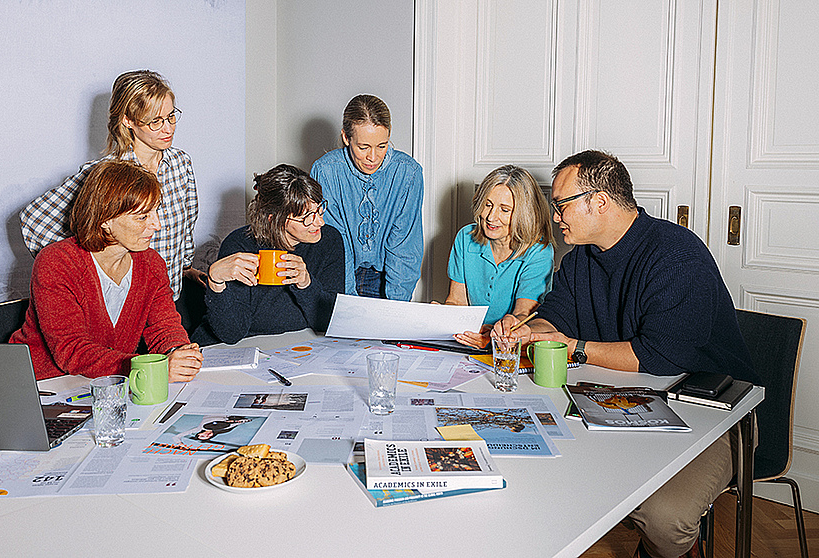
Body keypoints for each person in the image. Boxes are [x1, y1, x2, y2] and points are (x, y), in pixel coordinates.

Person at [492, 150, 758, 558]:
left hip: (713, 414)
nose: (555, 216)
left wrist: (575, 348)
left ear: (598, 201)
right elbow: (555, 316)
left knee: (666, 519)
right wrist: (528, 328)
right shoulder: (581, 258)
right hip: (625, 401)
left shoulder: (676, 254)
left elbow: (659, 356)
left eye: (561, 205)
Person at [10, 160, 203, 381]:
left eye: (155, 212)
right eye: (142, 217)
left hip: (109, 382)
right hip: (44, 385)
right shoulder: (56, 262)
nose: (157, 224)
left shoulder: (152, 264)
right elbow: (71, 351)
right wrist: (151, 370)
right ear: (105, 219)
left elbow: (164, 327)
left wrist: (178, 352)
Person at [19, 70, 199, 307]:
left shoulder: (180, 164)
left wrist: (185, 267)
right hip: (120, 306)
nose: (168, 129)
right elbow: (34, 220)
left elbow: (186, 225)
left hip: (168, 302)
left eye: (171, 116)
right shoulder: (104, 173)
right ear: (128, 120)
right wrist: (80, 270)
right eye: (155, 121)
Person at [190, 164, 344, 345]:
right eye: (306, 217)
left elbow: (329, 323)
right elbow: (232, 334)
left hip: (296, 346)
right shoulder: (240, 244)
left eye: (319, 209)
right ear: (274, 219)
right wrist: (215, 282)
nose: (320, 222)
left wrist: (306, 285)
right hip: (236, 346)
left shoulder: (329, 240)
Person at [310, 94, 423, 300]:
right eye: (363, 147)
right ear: (346, 137)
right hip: (336, 273)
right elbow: (336, 242)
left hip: (385, 275)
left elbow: (404, 246)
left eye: (382, 145)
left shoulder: (409, 173)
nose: (373, 157)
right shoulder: (325, 171)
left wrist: (396, 308)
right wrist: (349, 304)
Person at [446, 165, 554, 349]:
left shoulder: (540, 251)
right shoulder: (465, 238)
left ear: (524, 214)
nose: (490, 216)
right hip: (468, 340)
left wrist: (498, 337)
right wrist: (439, 316)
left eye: (504, 210)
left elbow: (522, 315)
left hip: (513, 346)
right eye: (488, 205)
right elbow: (456, 301)